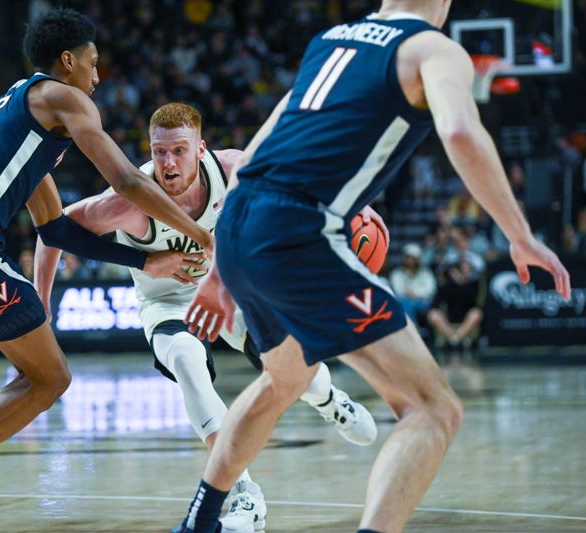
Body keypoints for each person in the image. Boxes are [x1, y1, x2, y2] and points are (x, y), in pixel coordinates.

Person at [174, 2, 571, 533]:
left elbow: (253, 155)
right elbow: (459, 133)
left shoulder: (333, 39)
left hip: (242, 222)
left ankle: (198, 523)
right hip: (300, 230)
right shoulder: (433, 48)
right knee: (434, 409)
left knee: (285, 379)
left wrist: (222, 274)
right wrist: (520, 235)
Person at [0, 9, 214, 533]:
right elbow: (125, 179)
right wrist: (201, 235)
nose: (97, 79)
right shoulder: (64, 97)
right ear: (69, 61)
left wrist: (147, 259)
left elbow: (54, 229)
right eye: (93, 64)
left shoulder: (24, 116)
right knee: (51, 378)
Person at [35, 103, 379, 532]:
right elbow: (54, 229)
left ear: (200, 149)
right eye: (159, 152)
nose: (167, 163)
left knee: (292, 368)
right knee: (187, 364)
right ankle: (243, 494)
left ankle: (329, 400)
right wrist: (42, 302)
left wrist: (349, 208)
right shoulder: (129, 200)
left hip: (231, 288)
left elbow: (297, 179)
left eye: (178, 151)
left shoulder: (232, 169)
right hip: (167, 304)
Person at [388, 243, 436, 324]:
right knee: (405, 302)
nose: (409, 260)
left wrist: (414, 293)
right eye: (407, 257)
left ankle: (409, 329)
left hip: (422, 302)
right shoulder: (397, 273)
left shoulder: (426, 273)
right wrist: (412, 294)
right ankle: (412, 329)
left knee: (409, 303)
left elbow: (430, 290)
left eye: (412, 258)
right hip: (404, 300)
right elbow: (398, 290)